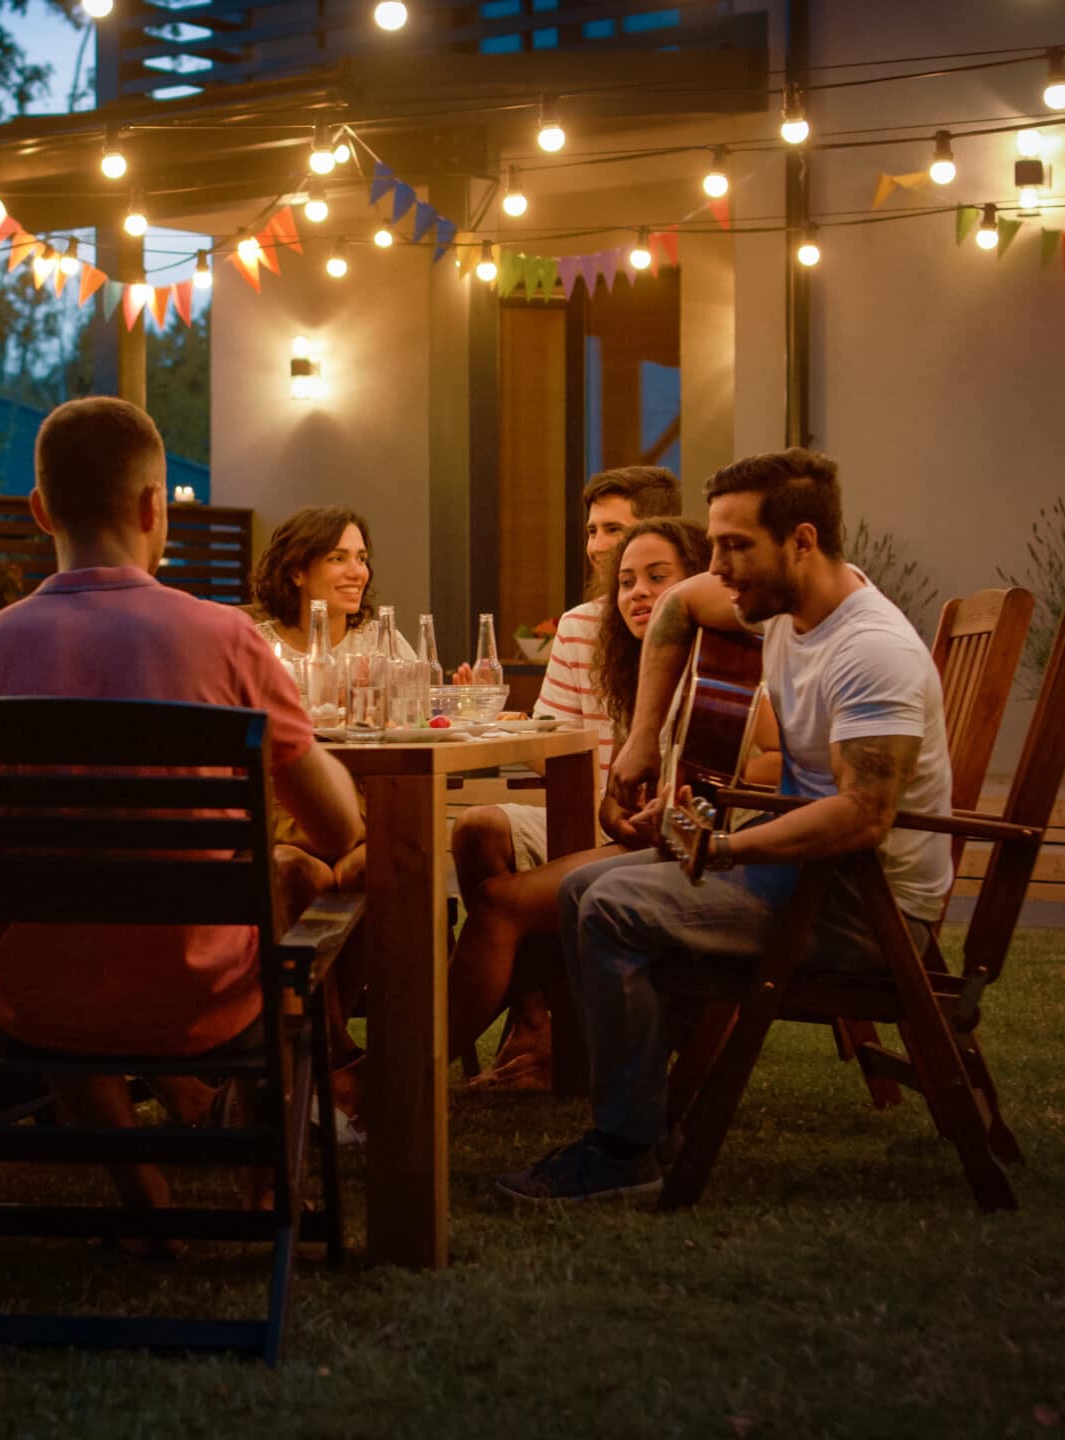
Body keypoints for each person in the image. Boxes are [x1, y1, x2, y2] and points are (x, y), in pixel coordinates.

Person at [0, 396, 364, 1229]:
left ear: (38, 511)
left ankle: (142, 1198)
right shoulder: (227, 639)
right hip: (205, 993)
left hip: (39, 1003)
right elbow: (339, 829)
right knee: (295, 898)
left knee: (53, 942)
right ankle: (266, 1180)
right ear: (151, 508)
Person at [495, 448, 955, 1203]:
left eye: (735, 547)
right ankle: (644, 1119)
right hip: (798, 877)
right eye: (714, 545)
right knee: (581, 887)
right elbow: (677, 608)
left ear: (802, 541)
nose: (718, 567)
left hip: (860, 910)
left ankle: (624, 1148)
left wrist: (726, 846)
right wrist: (642, 742)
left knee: (611, 909)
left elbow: (863, 815)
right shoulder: (776, 603)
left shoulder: (872, 651)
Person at [439, 517, 745, 1093]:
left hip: (708, 854)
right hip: (656, 840)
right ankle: (522, 1040)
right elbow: (613, 784)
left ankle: (394, 1084)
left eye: (659, 578)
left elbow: (745, 772)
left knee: (500, 907)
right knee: (489, 862)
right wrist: (617, 809)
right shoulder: (624, 657)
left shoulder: (728, 668)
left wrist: (671, 813)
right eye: (626, 582)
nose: (639, 593)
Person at [245, 507, 418, 663]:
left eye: (361, 559)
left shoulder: (382, 642)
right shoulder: (254, 648)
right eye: (338, 559)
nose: (357, 572)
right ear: (296, 572)